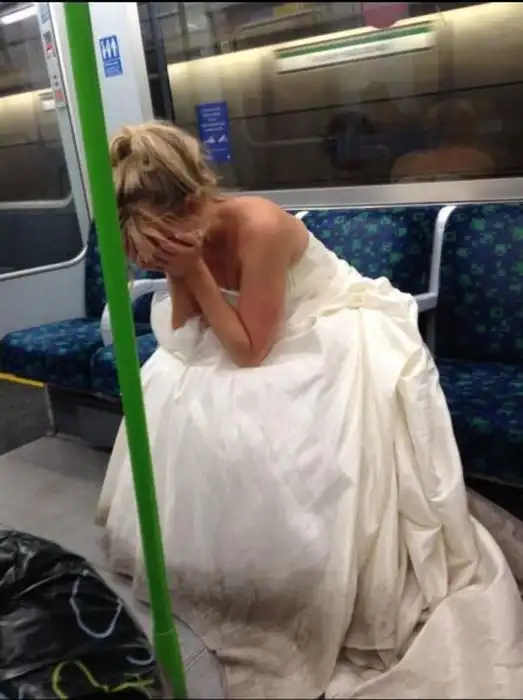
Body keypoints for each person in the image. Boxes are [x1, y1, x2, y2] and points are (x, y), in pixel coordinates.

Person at [97, 121, 523, 699]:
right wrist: (178, 274)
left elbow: (251, 351)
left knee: (275, 419)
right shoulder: (184, 242)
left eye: (161, 249)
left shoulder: (261, 227)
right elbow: (184, 335)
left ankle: (297, 573)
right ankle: (226, 564)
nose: (157, 260)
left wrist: (193, 271)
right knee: (177, 387)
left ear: (194, 203)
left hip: (324, 327)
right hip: (251, 330)